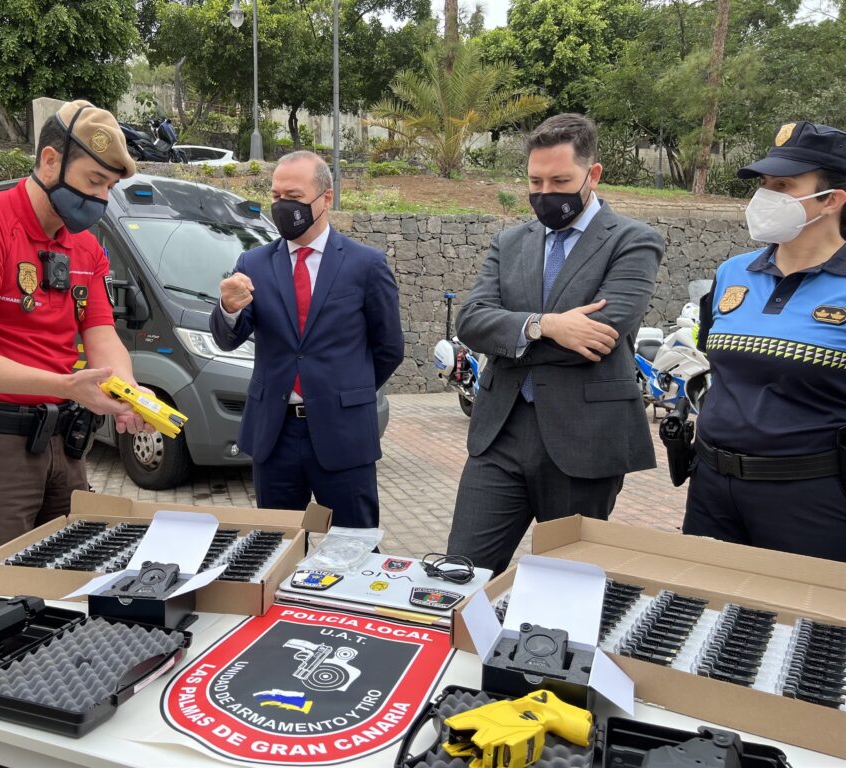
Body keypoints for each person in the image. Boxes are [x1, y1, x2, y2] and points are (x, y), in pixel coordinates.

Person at [0, 99, 151, 767]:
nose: (99, 200)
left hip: (61, 449)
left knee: (67, 595)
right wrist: (64, 386)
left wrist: (125, 391)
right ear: (49, 160)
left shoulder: (84, 245)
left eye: (108, 188)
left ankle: (43, 736)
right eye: (90, 184)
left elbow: (101, 334)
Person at [446, 114, 664, 575]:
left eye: (560, 180)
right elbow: (471, 320)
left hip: (584, 438)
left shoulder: (632, 240)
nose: (546, 193)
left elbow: (603, 331)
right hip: (501, 431)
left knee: (564, 585)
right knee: (459, 573)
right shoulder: (510, 242)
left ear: (593, 174)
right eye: (535, 181)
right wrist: (543, 326)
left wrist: (508, 332)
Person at [209, 150, 404, 528]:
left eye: (294, 198)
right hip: (275, 433)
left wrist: (346, 392)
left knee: (354, 546)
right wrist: (228, 307)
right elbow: (227, 339)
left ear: (325, 198)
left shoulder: (366, 265)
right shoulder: (253, 264)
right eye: (276, 196)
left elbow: (389, 348)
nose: (282, 206)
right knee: (277, 546)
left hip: (343, 433)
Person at [682, 121, 846, 562]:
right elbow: (717, 362)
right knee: (700, 611)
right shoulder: (733, 273)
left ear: (831, 200)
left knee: (805, 626)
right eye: (764, 184)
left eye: (784, 185)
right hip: (711, 490)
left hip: (810, 498)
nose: (765, 197)